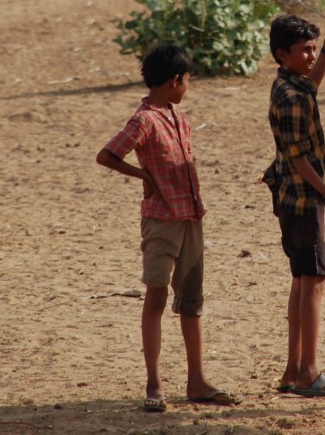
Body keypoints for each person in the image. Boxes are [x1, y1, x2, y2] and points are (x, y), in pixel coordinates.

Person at [96, 44, 239, 412]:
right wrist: (143, 176)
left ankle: (197, 381)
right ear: (175, 80)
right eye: (187, 80)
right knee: (156, 298)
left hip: (191, 218)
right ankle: (154, 383)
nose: (187, 86)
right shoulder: (144, 120)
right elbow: (107, 155)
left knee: (191, 302)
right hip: (161, 220)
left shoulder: (180, 117)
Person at [263, 14, 325, 397]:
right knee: (314, 280)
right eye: (305, 51)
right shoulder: (291, 97)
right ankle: (310, 373)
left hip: (291, 198)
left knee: (302, 279)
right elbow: (299, 159)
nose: (311, 56)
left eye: (313, 49)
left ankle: (292, 371)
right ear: (282, 54)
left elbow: (310, 85)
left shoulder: (289, 84)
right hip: (303, 200)